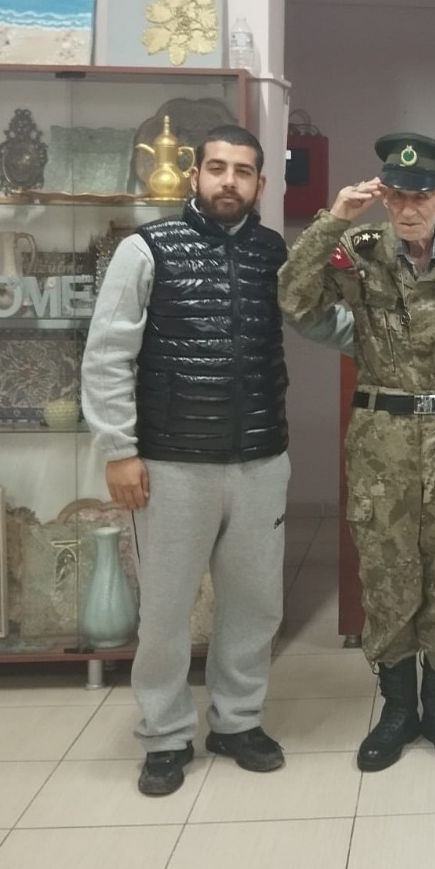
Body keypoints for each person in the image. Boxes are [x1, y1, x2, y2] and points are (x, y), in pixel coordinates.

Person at [83, 124, 320, 797]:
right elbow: (106, 354)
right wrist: (118, 451)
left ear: (260, 184)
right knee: (164, 612)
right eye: (217, 168)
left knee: (255, 605)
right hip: (170, 464)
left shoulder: (274, 253)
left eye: (242, 171)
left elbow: (314, 317)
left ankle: (237, 722)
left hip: (259, 461)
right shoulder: (146, 248)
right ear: (195, 175)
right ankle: (164, 735)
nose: (228, 181)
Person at [279, 132, 435, 772]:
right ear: (383, 197)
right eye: (397, 196)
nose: (408, 208)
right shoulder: (357, 250)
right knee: (386, 577)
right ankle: (396, 709)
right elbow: (293, 299)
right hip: (381, 444)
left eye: (421, 196)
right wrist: (333, 219)